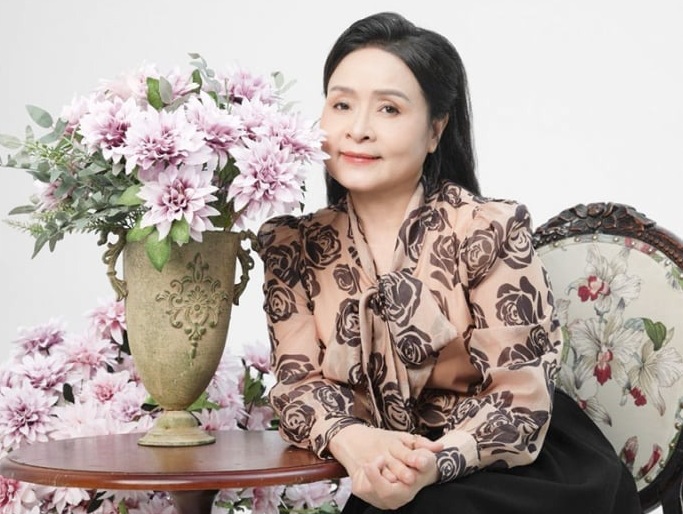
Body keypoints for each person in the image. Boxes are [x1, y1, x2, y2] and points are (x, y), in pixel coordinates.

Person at [257, 11, 640, 513]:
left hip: (521, 464)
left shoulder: (488, 229)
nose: (358, 130)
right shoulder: (291, 246)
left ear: (435, 130)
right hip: (395, 472)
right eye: (341, 104)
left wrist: (430, 464)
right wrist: (355, 441)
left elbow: (521, 401)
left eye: (389, 109)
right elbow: (297, 387)